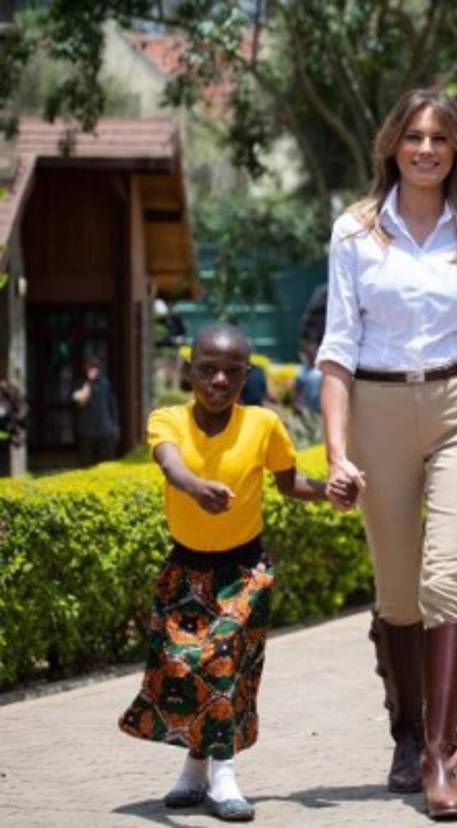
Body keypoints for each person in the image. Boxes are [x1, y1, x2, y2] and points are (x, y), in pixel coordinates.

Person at [317, 89, 457, 820]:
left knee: (448, 581)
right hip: (379, 412)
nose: (425, 150)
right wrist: (334, 454)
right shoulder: (355, 233)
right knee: (397, 594)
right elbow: (337, 349)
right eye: (413, 137)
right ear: (392, 145)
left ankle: (445, 761)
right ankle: (408, 735)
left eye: (439, 140)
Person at [118, 324, 327, 822]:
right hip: (185, 569)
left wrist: (329, 491)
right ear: (190, 370)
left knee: (224, 666)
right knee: (184, 672)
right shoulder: (166, 419)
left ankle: (224, 775)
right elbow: (170, 465)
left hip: (243, 571)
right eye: (208, 369)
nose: (218, 380)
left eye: (232, 372)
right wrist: (194, 486)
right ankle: (194, 773)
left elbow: (289, 481)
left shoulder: (262, 424)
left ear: (245, 376)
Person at [72, 355, 119, 466]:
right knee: (86, 464)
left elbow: (112, 405)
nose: (91, 370)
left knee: (106, 463)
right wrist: (88, 384)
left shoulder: (105, 383)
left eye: (94, 367)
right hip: (86, 431)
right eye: (89, 367)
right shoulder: (80, 383)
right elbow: (76, 401)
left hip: (105, 430)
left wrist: (114, 425)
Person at [293, 342, 323, 414]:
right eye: (309, 353)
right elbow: (297, 392)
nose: (312, 355)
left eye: (314, 353)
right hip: (306, 411)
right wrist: (296, 405)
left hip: (320, 410)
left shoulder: (324, 371)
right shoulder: (301, 372)